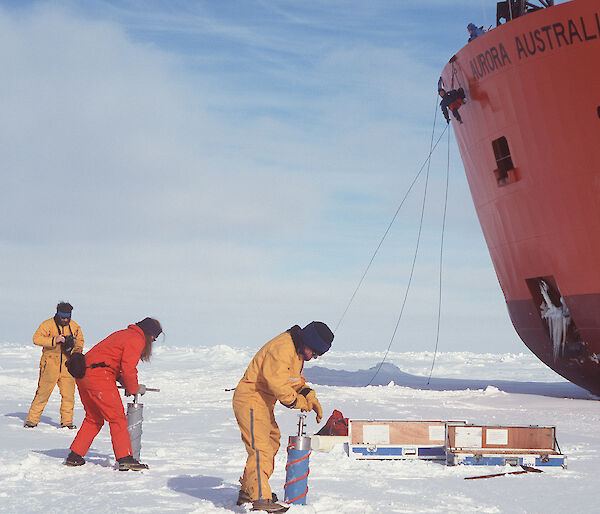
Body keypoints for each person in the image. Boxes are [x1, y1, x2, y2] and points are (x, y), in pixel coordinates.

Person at [233, 321, 334, 513]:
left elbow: (294, 381)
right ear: (309, 342)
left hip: (262, 402)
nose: (314, 357)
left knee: (271, 442)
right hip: (251, 399)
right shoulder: (283, 347)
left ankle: (249, 489)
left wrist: (309, 396)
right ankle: (261, 498)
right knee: (260, 448)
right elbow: (278, 384)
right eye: (315, 352)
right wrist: (297, 402)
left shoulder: (296, 353)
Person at [64, 317, 162, 471]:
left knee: (93, 418)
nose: (152, 342)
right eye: (154, 339)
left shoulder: (124, 334)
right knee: (116, 418)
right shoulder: (136, 339)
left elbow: (112, 361)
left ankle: (75, 455)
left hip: (84, 375)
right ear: (150, 335)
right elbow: (128, 368)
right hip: (99, 377)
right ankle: (125, 458)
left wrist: (128, 384)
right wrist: (134, 388)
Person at [25, 302, 85, 429]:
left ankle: (67, 422)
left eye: (67, 318)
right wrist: (54, 340)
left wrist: (76, 351)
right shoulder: (47, 325)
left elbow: (80, 341)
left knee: (68, 396)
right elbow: (36, 339)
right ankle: (32, 420)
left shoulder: (74, 327)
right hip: (50, 365)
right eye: (62, 317)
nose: (65, 320)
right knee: (42, 393)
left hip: (67, 366)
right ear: (58, 314)